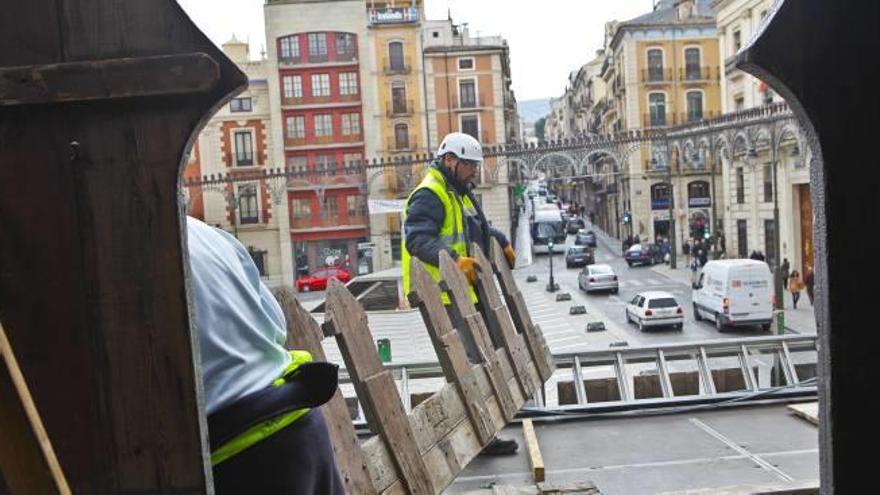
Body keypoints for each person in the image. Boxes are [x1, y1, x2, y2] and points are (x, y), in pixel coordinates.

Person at [187, 217, 343, 493]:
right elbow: (276, 323)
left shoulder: (102, 250)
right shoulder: (205, 234)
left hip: (235, 450)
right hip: (296, 419)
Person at [401, 132, 518, 456]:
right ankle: (478, 435)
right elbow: (418, 240)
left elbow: (474, 227)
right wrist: (454, 261)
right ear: (451, 160)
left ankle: (477, 431)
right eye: (470, 165)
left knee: (474, 361)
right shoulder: (431, 194)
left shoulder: (457, 192)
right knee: (468, 365)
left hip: (461, 293)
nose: (475, 172)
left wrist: (500, 239)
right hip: (443, 295)